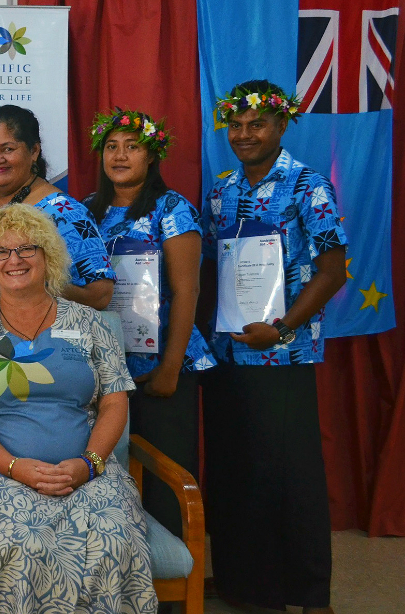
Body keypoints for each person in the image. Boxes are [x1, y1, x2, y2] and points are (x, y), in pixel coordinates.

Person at [0, 203, 155, 614]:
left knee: (114, 537)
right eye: (1, 251)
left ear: (48, 256)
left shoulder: (91, 323)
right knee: (22, 544)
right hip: (0, 475)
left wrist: (88, 464)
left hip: (89, 473)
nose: (13, 260)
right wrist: (15, 467)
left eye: (26, 249)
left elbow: (113, 403)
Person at [200, 81, 347, 614]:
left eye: (256, 124)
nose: (244, 135)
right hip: (227, 351)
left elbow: (333, 272)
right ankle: (246, 586)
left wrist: (282, 328)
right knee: (238, 469)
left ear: (281, 125)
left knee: (292, 476)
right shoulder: (220, 191)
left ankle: (311, 596)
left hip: (283, 352)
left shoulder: (309, 186)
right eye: (235, 126)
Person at [83, 108, 216, 536]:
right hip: (103, 370)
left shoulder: (172, 208)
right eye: (111, 147)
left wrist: (170, 368)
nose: (119, 156)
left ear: (152, 155)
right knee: (108, 476)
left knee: (164, 478)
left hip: (162, 367)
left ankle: (171, 595)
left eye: (132, 147)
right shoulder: (85, 211)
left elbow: (187, 292)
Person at [0, 105, 115, 310]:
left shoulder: (65, 211)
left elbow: (100, 296)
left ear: (34, 151)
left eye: (8, 149)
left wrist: (22, 284)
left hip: (39, 337)